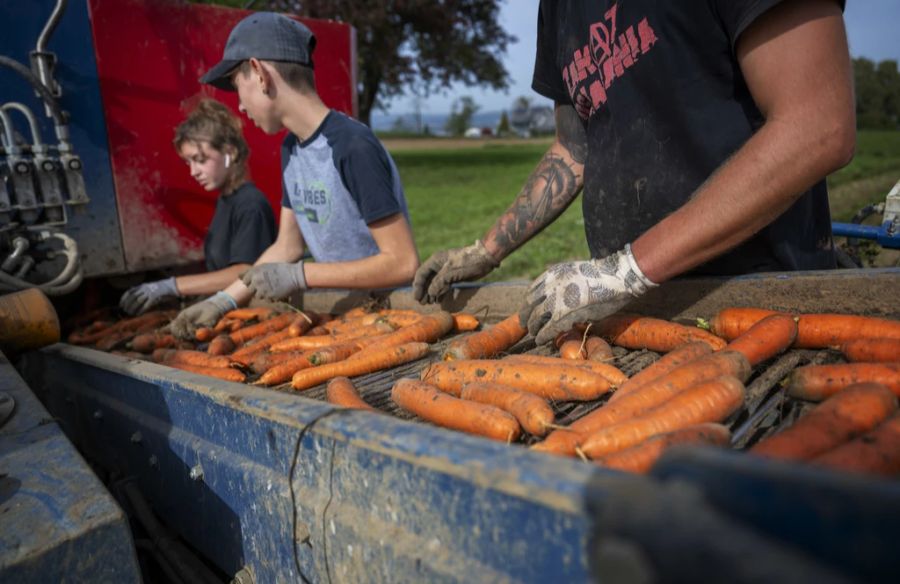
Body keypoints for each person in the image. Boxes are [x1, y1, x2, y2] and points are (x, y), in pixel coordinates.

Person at [413, 0, 854, 345]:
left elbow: (816, 125)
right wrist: (485, 250)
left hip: (763, 302)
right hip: (630, 313)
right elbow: (574, 146)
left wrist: (627, 270)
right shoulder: (559, 8)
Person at [169, 12, 419, 338]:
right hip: (344, 316)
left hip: (393, 319)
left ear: (259, 74)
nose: (240, 106)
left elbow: (402, 262)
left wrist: (300, 276)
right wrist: (223, 301)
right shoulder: (292, 149)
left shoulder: (352, 145)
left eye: (236, 85)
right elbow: (286, 247)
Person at [119, 99, 276, 315]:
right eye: (188, 162)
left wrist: (172, 286)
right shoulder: (226, 199)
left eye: (200, 160)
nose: (193, 172)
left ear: (230, 152)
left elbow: (245, 272)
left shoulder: (250, 204)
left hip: (254, 313)